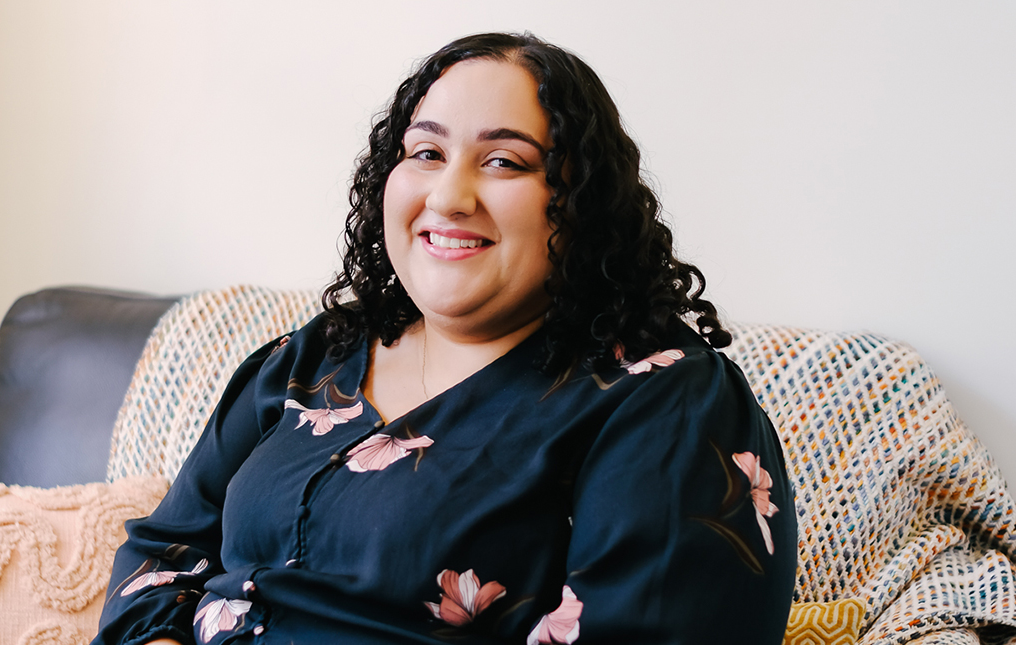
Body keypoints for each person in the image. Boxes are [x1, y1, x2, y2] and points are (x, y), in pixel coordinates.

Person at [91, 32, 796, 645]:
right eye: (425, 151)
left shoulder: (662, 398)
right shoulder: (313, 356)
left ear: (579, 204)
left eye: (504, 162)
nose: (449, 194)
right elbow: (163, 547)